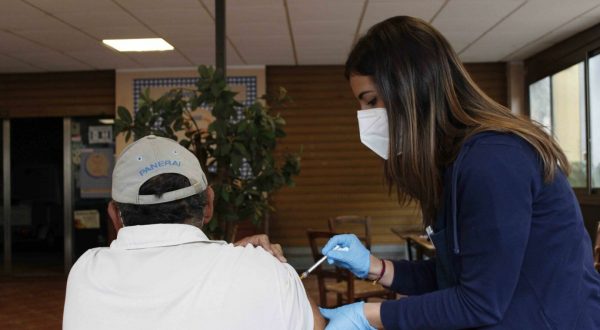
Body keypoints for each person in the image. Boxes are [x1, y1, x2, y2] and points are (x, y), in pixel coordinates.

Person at [318, 16, 600, 329]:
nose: (365, 118)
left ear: (412, 89)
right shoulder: (455, 163)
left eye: (371, 101)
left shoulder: (494, 159)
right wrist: (376, 267)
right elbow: (455, 273)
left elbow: (480, 302)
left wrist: (368, 316)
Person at [63, 135, 325, 330]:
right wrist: (261, 263)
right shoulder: (262, 268)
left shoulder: (86, 271)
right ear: (208, 203)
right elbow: (314, 325)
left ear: (114, 215)